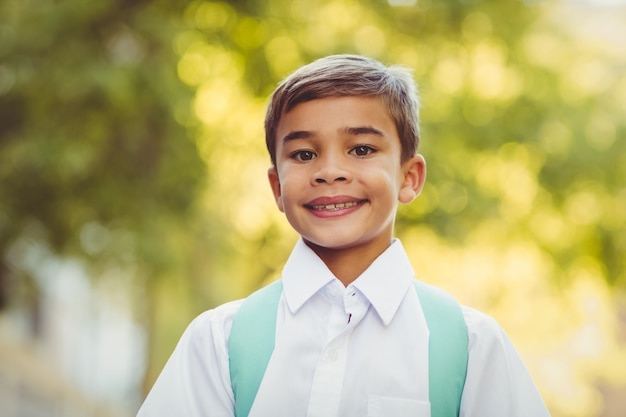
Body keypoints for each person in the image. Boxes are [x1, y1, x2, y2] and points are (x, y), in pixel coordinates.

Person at [136, 54, 551, 417]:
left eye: (362, 149)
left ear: (410, 177)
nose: (329, 171)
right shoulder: (218, 342)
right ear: (277, 187)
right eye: (303, 154)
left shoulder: (472, 346)